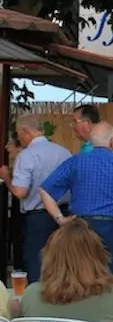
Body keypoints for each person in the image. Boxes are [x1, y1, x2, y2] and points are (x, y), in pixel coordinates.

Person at [39, 122, 113, 278]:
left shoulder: (76, 161)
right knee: (112, 279)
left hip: (80, 228)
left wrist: (60, 219)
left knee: (80, 276)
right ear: (112, 141)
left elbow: (44, 189)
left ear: (91, 142)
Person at [0, 116, 71, 282]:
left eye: (18, 133)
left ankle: (38, 303)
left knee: (37, 264)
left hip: (37, 218)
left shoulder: (27, 155)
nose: (18, 138)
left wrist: (7, 178)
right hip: (64, 214)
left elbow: (20, 192)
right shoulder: (64, 152)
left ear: (26, 131)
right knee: (62, 263)